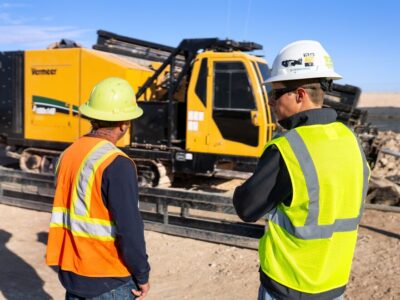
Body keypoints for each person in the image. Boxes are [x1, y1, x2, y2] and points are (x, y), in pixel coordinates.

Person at [233, 40, 370, 300]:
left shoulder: (288, 148)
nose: (271, 102)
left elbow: (247, 208)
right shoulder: (350, 139)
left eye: (276, 93)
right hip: (334, 282)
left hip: (289, 284)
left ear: (299, 95)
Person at [46, 77, 150, 299]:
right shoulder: (117, 162)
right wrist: (142, 274)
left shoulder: (68, 154)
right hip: (109, 278)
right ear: (124, 123)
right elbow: (129, 228)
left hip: (73, 274)